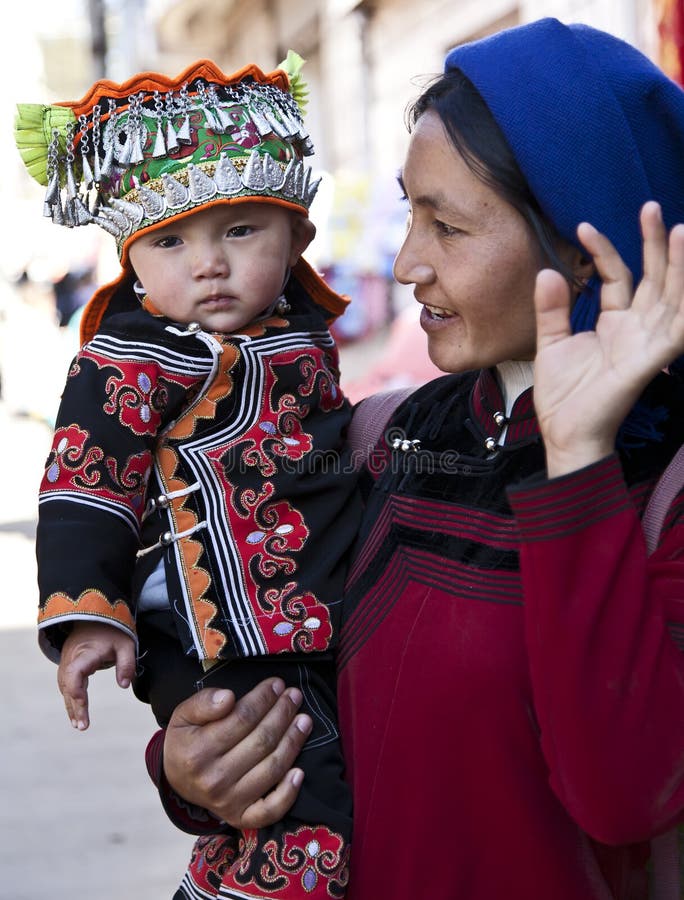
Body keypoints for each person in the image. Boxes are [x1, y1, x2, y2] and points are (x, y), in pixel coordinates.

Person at [144, 18, 684, 900]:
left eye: (449, 228)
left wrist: (578, 458)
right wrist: (191, 765)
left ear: (587, 255)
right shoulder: (380, 442)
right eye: (409, 213)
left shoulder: (661, 490)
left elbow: (624, 798)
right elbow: (260, 655)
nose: (405, 265)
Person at [15, 56, 360, 897]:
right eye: (171, 242)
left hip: (315, 615)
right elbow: (84, 485)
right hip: (210, 638)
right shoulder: (130, 357)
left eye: (240, 232)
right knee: (292, 793)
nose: (207, 265)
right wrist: (89, 614)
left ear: (298, 237)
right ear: (132, 264)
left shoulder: (305, 333)